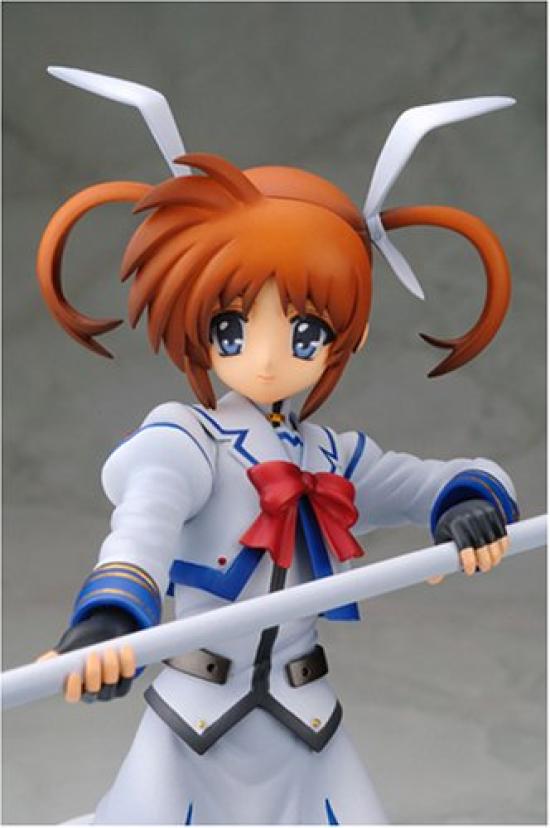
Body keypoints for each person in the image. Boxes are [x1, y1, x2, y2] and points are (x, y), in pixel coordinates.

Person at [35, 85, 518, 824]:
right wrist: (111, 618)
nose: (264, 360)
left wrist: (470, 509)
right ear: (198, 327)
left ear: (345, 339)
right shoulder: (186, 440)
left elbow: (438, 480)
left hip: (307, 727)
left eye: (303, 334)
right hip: (192, 727)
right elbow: (143, 526)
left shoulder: (331, 457)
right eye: (232, 329)